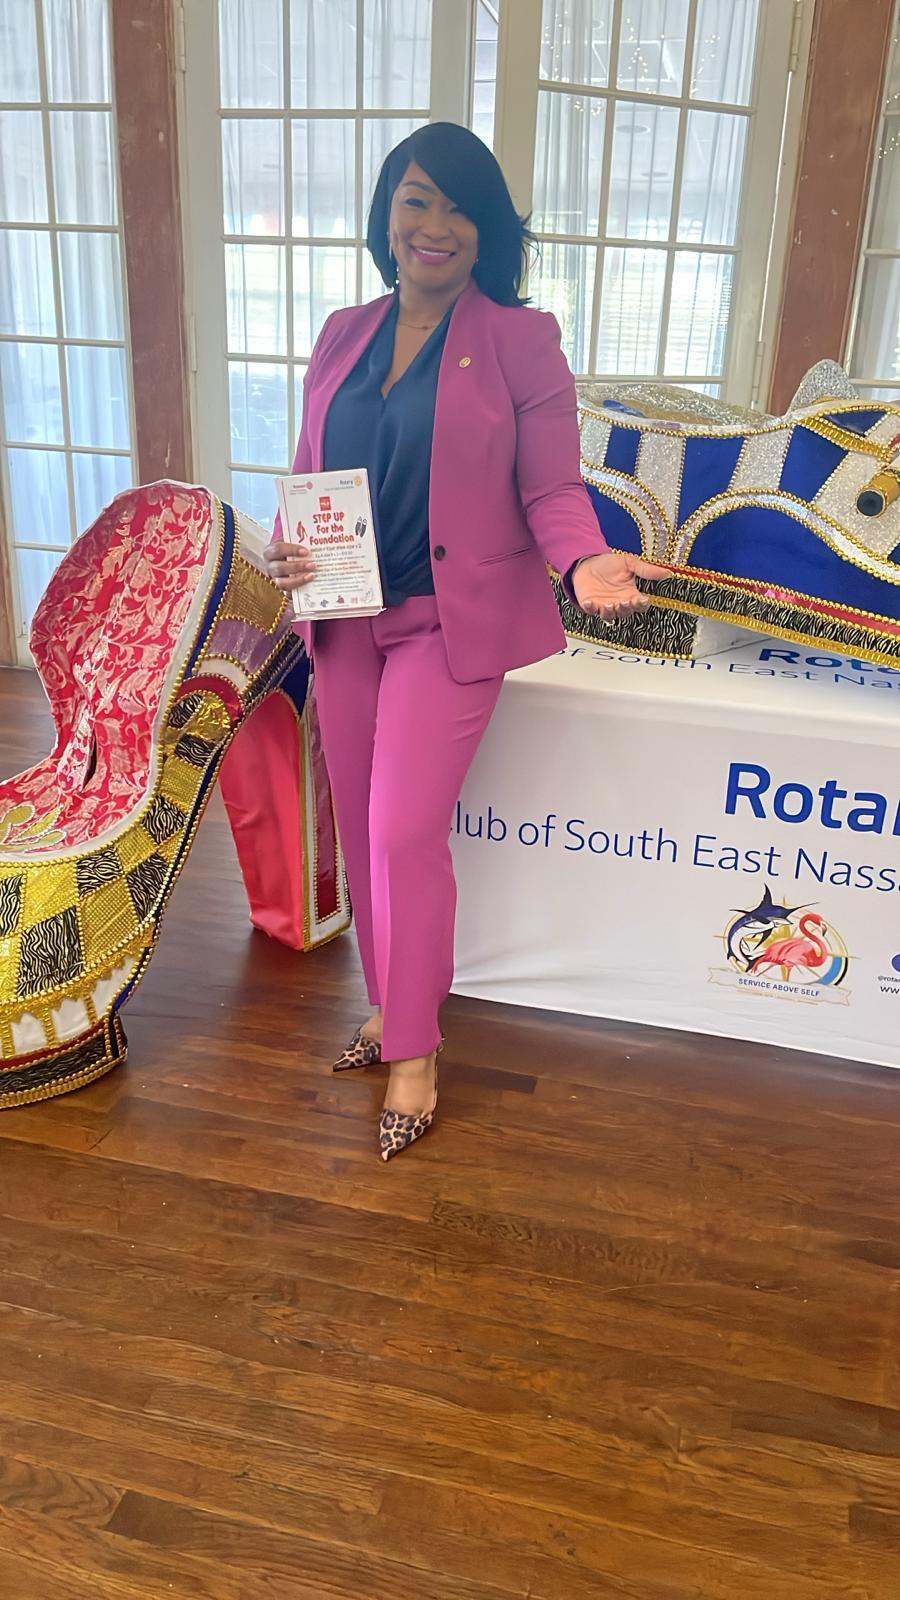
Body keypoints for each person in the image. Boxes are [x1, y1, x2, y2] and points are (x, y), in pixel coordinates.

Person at [264, 122, 666, 1161]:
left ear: (487, 231)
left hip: (449, 625)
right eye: (416, 200)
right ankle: (389, 1005)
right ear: (386, 216)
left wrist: (583, 562)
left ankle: (415, 1051)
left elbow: (552, 487)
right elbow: (311, 469)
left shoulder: (521, 340)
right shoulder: (342, 331)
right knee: (362, 831)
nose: (434, 225)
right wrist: (287, 545)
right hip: (345, 621)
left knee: (404, 832)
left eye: (459, 207)